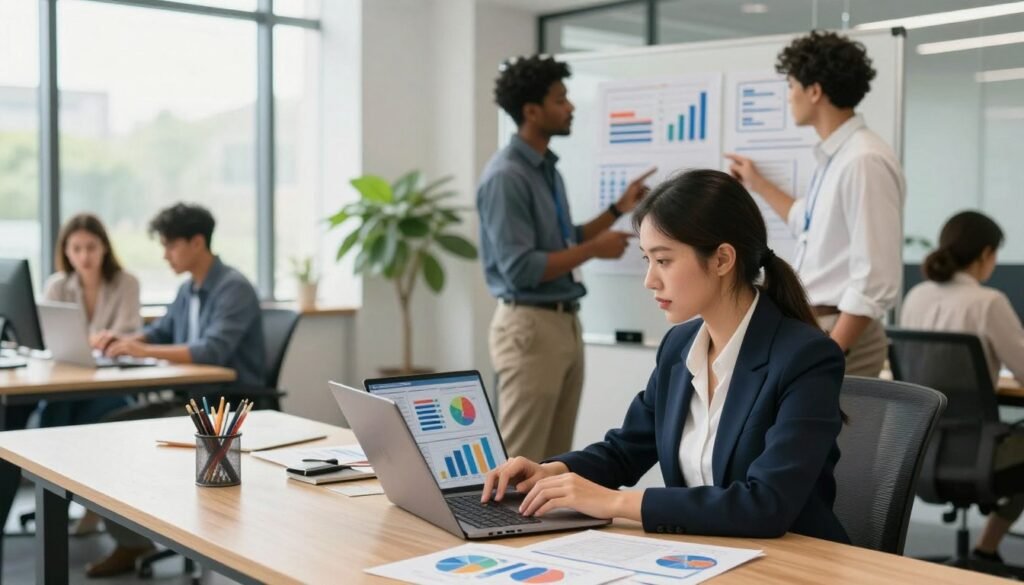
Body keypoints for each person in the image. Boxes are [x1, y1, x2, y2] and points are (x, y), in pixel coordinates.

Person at [482, 169, 849, 543]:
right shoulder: (679, 346)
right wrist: (552, 471)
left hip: (795, 566)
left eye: (664, 261)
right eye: (647, 260)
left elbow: (766, 505)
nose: (650, 280)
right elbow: (625, 450)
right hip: (704, 555)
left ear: (722, 260)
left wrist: (615, 503)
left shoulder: (806, 358)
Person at [478, 55, 654, 461]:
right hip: (531, 327)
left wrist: (616, 210)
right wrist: (594, 249)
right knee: (520, 460)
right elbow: (521, 268)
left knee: (552, 463)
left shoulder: (546, 170)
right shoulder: (508, 176)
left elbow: (562, 239)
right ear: (531, 111)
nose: (571, 106)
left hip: (561, 323)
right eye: (561, 99)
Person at [86, 203, 265, 577]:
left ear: (197, 242)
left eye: (171, 245)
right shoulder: (189, 289)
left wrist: (143, 350)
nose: (165, 254)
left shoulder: (234, 288)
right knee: (104, 429)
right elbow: (161, 332)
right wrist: (123, 340)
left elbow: (212, 351)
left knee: (114, 433)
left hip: (222, 410)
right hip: (189, 402)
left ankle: (136, 542)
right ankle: (130, 543)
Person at [727, 30, 905, 377]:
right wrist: (757, 183)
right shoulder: (836, 158)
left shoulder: (863, 160)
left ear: (815, 90)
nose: (789, 96)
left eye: (792, 85)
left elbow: (875, 279)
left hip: (842, 332)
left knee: (839, 433)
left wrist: (830, 350)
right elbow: (804, 220)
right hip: (816, 326)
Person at [901, 211, 1024, 563]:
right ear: (986, 254)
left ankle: (985, 551)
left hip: (921, 449)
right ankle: (986, 550)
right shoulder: (988, 302)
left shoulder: (917, 296)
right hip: (978, 451)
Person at [40, 213, 142, 426]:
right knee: (55, 406)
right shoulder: (56, 286)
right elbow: (49, 336)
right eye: (76, 248)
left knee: (76, 412)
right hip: (67, 377)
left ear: (104, 247)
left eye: (91, 247)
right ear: (66, 251)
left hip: (110, 379)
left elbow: (126, 333)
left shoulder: (127, 283)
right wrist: (93, 342)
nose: (84, 256)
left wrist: (99, 342)